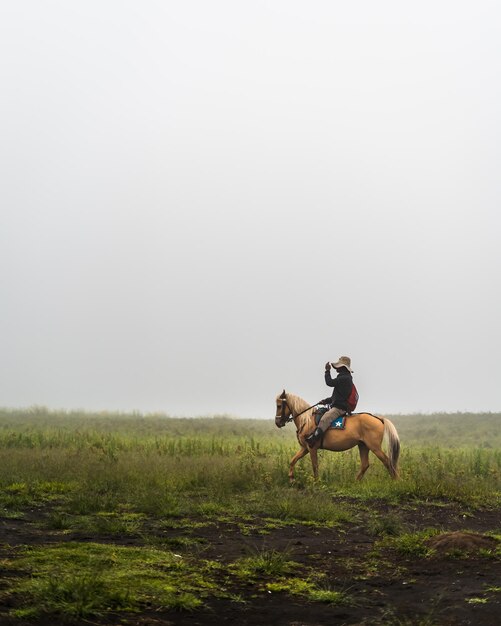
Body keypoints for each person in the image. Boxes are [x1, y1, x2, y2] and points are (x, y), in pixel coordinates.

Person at [305, 356, 354, 446]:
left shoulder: (344, 378)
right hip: (337, 405)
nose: (337, 368)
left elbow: (329, 382)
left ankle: (314, 439)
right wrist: (326, 401)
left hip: (340, 408)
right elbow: (336, 396)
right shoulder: (344, 378)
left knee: (325, 418)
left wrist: (327, 371)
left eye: (339, 366)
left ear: (343, 367)